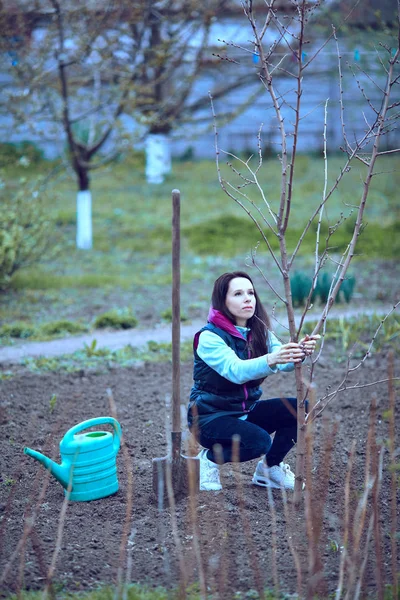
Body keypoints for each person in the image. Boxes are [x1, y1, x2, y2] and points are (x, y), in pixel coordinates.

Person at [188, 271, 320, 492]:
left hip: (246, 411)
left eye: (250, 292)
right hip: (209, 418)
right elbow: (235, 371)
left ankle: (269, 470)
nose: (247, 298)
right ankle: (208, 460)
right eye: (238, 294)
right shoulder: (209, 337)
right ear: (223, 301)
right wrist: (271, 358)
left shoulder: (259, 331)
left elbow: (283, 363)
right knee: (259, 442)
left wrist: (299, 352)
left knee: (301, 410)